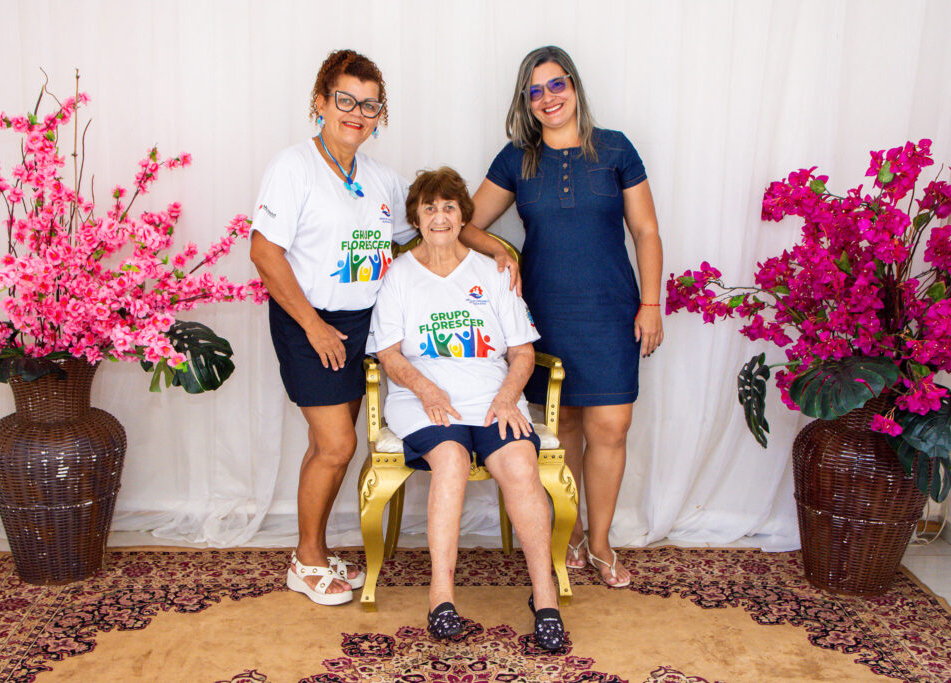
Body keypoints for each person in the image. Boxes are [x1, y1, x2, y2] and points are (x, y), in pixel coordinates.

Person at [459, 46, 664, 588]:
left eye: (556, 85)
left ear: (574, 86)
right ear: (525, 103)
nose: (548, 98)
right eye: (535, 92)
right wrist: (501, 250)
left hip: (612, 311)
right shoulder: (516, 159)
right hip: (545, 312)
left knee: (611, 426)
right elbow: (464, 224)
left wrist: (651, 304)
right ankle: (569, 535)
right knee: (564, 424)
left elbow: (646, 231)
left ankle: (601, 543)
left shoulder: (616, 149)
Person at [368, 167, 565, 650]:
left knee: (520, 465)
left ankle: (545, 597)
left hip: (492, 396)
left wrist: (506, 397)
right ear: (416, 217)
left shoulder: (492, 271)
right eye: (429, 208)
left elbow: (522, 352)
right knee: (452, 461)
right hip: (423, 400)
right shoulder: (398, 275)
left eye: (449, 208)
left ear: (463, 217)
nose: (439, 217)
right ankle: (441, 597)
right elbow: (388, 353)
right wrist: (428, 391)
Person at [249, 50, 418, 606]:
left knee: (329, 446)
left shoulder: (381, 179)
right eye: (345, 100)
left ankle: (314, 551)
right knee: (337, 444)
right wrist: (314, 326)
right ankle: (306, 560)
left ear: (379, 115)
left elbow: (428, 224)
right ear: (320, 102)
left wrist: (491, 249)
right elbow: (264, 252)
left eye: (369, 105)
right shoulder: (293, 167)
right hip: (308, 321)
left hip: (361, 325)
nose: (356, 113)